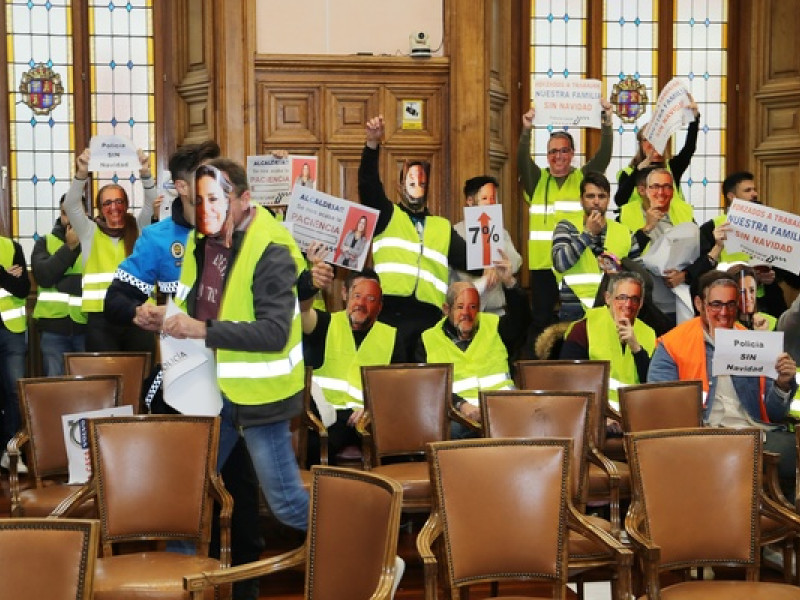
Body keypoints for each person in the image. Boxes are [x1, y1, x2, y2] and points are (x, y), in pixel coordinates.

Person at [163, 158, 310, 542]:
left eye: (219, 199)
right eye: (204, 200)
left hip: (261, 397)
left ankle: (370, 549)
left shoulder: (272, 248)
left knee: (288, 505)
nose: (210, 209)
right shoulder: (210, 239)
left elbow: (274, 333)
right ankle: (178, 583)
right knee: (190, 491)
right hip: (215, 389)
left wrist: (201, 329)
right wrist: (162, 317)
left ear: (245, 199)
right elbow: (206, 303)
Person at [648, 270, 798, 500]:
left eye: (730, 304)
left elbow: (776, 414)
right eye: (716, 304)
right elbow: (660, 406)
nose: (724, 312)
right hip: (703, 435)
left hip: (756, 433)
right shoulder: (672, 345)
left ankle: (787, 525)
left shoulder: (752, 342)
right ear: (699, 304)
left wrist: (783, 384)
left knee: (793, 450)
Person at [358, 114, 478, 355]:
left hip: (430, 320)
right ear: (399, 186)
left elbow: (474, 261)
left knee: (427, 384)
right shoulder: (388, 214)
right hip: (389, 314)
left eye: (421, 183)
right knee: (391, 383)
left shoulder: (443, 226)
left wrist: (494, 255)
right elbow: (368, 184)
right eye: (410, 182)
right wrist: (372, 145)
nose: (416, 188)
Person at [517, 101, 614, 341]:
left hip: (576, 262)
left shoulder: (582, 178)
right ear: (547, 156)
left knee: (577, 320)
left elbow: (603, 156)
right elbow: (521, 159)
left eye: (563, 150)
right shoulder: (536, 180)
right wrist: (527, 130)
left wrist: (607, 122)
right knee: (541, 321)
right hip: (543, 265)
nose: (558, 156)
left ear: (572, 153)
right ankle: (540, 370)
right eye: (552, 151)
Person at [104, 140, 221, 332]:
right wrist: (139, 311)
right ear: (182, 187)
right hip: (185, 353)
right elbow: (116, 299)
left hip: (238, 350)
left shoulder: (239, 228)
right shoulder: (157, 237)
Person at [301, 265, 404, 465]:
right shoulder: (324, 323)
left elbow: (397, 391)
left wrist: (371, 409)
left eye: (371, 298)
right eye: (357, 294)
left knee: (399, 451)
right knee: (312, 448)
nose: (362, 303)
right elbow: (302, 311)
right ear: (345, 294)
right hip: (328, 417)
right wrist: (311, 283)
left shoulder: (392, 336)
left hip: (369, 417)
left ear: (380, 304)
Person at [65, 147, 157, 352]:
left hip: (139, 314)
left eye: (118, 201)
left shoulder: (140, 229)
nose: (113, 207)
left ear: (126, 204)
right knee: (106, 379)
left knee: (139, 378)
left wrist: (145, 173)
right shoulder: (89, 231)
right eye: (107, 203)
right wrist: (81, 174)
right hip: (101, 319)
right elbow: (71, 206)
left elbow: (153, 203)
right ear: (99, 208)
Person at [416, 277, 520, 439]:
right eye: (460, 307)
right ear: (446, 309)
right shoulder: (428, 339)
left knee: (535, 419)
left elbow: (523, 320)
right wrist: (461, 405)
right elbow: (429, 387)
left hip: (503, 408)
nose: (467, 314)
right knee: (451, 431)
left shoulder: (494, 325)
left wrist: (510, 284)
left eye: (473, 307)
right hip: (459, 415)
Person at [625, 168, 724, 327]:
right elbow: (625, 257)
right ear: (645, 191)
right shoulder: (627, 215)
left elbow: (704, 257)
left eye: (667, 187)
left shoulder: (684, 213)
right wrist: (648, 227)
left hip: (682, 304)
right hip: (647, 305)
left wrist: (684, 275)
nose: (661, 192)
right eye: (655, 187)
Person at [560, 271, 656, 410]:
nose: (627, 304)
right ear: (608, 298)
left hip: (636, 414)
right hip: (595, 415)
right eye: (621, 297)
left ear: (641, 303)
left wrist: (636, 348)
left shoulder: (648, 333)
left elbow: (653, 383)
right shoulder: (584, 328)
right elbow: (569, 381)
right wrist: (601, 415)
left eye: (634, 299)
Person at [699, 171, 787, 319]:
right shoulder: (712, 227)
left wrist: (774, 276)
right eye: (747, 190)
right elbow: (703, 271)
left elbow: (784, 267)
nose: (754, 194)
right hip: (730, 301)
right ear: (731, 197)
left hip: (765, 300)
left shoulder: (769, 225)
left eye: (754, 189)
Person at [551, 172, 633, 322]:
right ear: (581, 200)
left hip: (613, 310)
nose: (596, 202)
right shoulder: (566, 226)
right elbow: (560, 263)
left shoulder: (623, 231)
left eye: (601, 197)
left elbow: (637, 276)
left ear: (608, 200)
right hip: (574, 311)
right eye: (590, 196)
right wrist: (587, 234)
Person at [450, 175, 523, 316]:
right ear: (470, 201)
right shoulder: (456, 233)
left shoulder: (501, 232)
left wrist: (497, 265)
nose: (490, 203)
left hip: (497, 312)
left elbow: (516, 262)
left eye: (493, 199)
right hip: (466, 312)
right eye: (484, 199)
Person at [31, 194, 86, 376]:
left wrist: (62, 281)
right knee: (55, 388)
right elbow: (44, 277)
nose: (69, 218)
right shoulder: (45, 242)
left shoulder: (95, 242)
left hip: (86, 326)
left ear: (85, 213)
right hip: (52, 328)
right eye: (65, 213)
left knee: (88, 390)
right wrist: (69, 248)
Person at [614, 96, 700, 209]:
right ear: (641, 144)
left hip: (672, 224)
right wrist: (638, 171)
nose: (652, 145)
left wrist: (694, 118)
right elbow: (620, 200)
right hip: (641, 225)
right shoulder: (628, 173)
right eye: (647, 140)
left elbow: (689, 148)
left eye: (656, 140)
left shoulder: (672, 167)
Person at [0, 233, 30, 473]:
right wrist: (4, 275)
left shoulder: (12, 246)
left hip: (12, 331)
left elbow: (22, 289)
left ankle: (11, 452)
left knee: (14, 393)